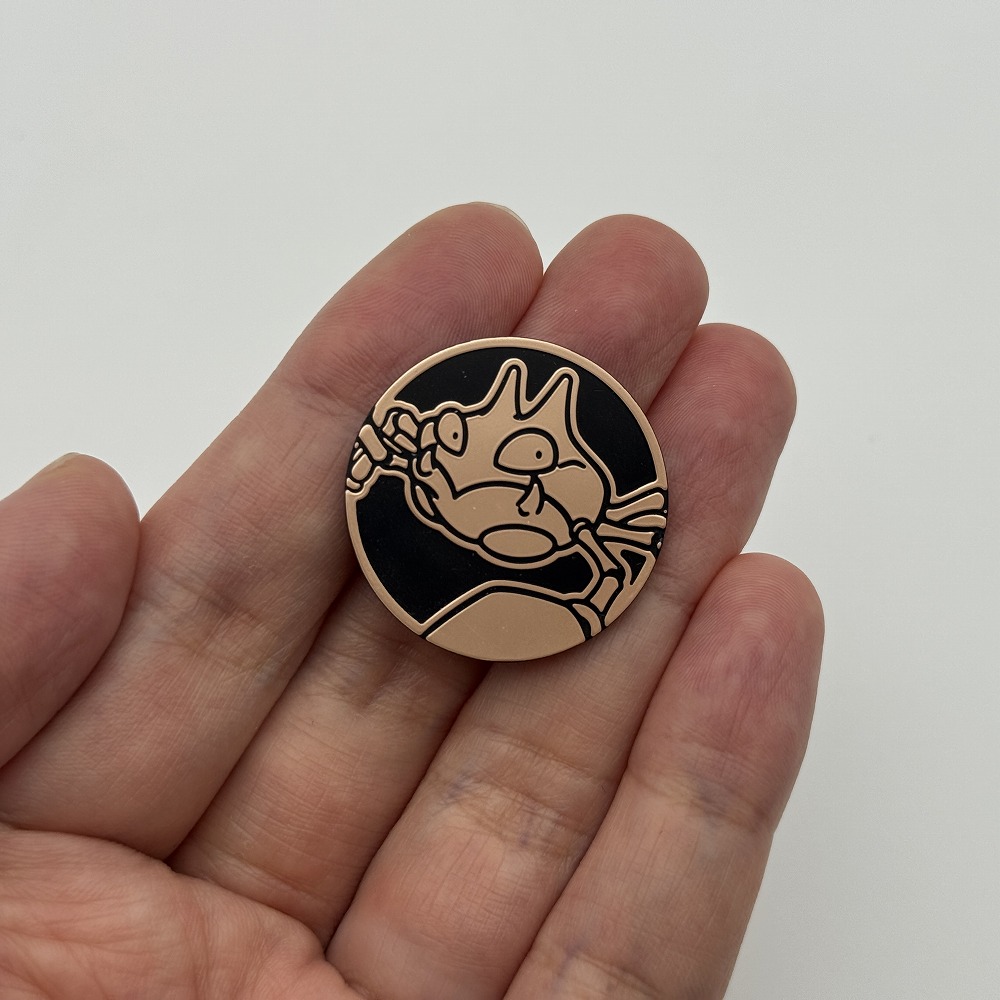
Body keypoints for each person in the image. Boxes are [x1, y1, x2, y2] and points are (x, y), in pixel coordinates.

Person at [0, 204, 823, 998]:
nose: (541, 492)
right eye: (528, 468)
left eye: (552, 478)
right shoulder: (432, 486)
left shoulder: (552, 543)